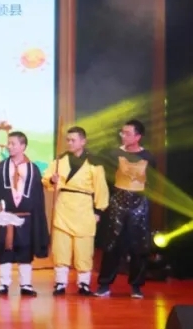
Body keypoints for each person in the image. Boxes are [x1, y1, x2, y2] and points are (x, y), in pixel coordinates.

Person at [43, 126, 109, 296]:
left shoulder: (94, 163)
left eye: (73, 140)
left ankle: (84, 283)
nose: (70, 143)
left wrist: (98, 211)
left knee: (84, 247)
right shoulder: (60, 160)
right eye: (68, 140)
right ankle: (60, 282)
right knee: (61, 246)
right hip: (64, 205)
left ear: (83, 141)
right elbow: (46, 179)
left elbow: (101, 188)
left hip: (84, 206)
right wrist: (53, 180)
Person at [96, 119, 154, 298]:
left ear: (138, 136)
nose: (123, 136)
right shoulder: (114, 154)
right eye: (122, 132)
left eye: (127, 133)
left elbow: (153, 181)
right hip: (118, 202)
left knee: (139, 245)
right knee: (112, 243)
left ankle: (136, 286)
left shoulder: (148, 157)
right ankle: (104, 284)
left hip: (140, 204)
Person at [0, 131, 49, 297]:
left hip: (26, 218)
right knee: (4, 250)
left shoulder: (33, 169)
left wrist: (38, 221)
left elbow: (38, 197)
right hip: (5, 217)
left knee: (25, 251)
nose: (9, 146)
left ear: (23, 146)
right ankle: (3, 284)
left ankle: (26, 284)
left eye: (13, 143)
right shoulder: (0, 168)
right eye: (8, 143)